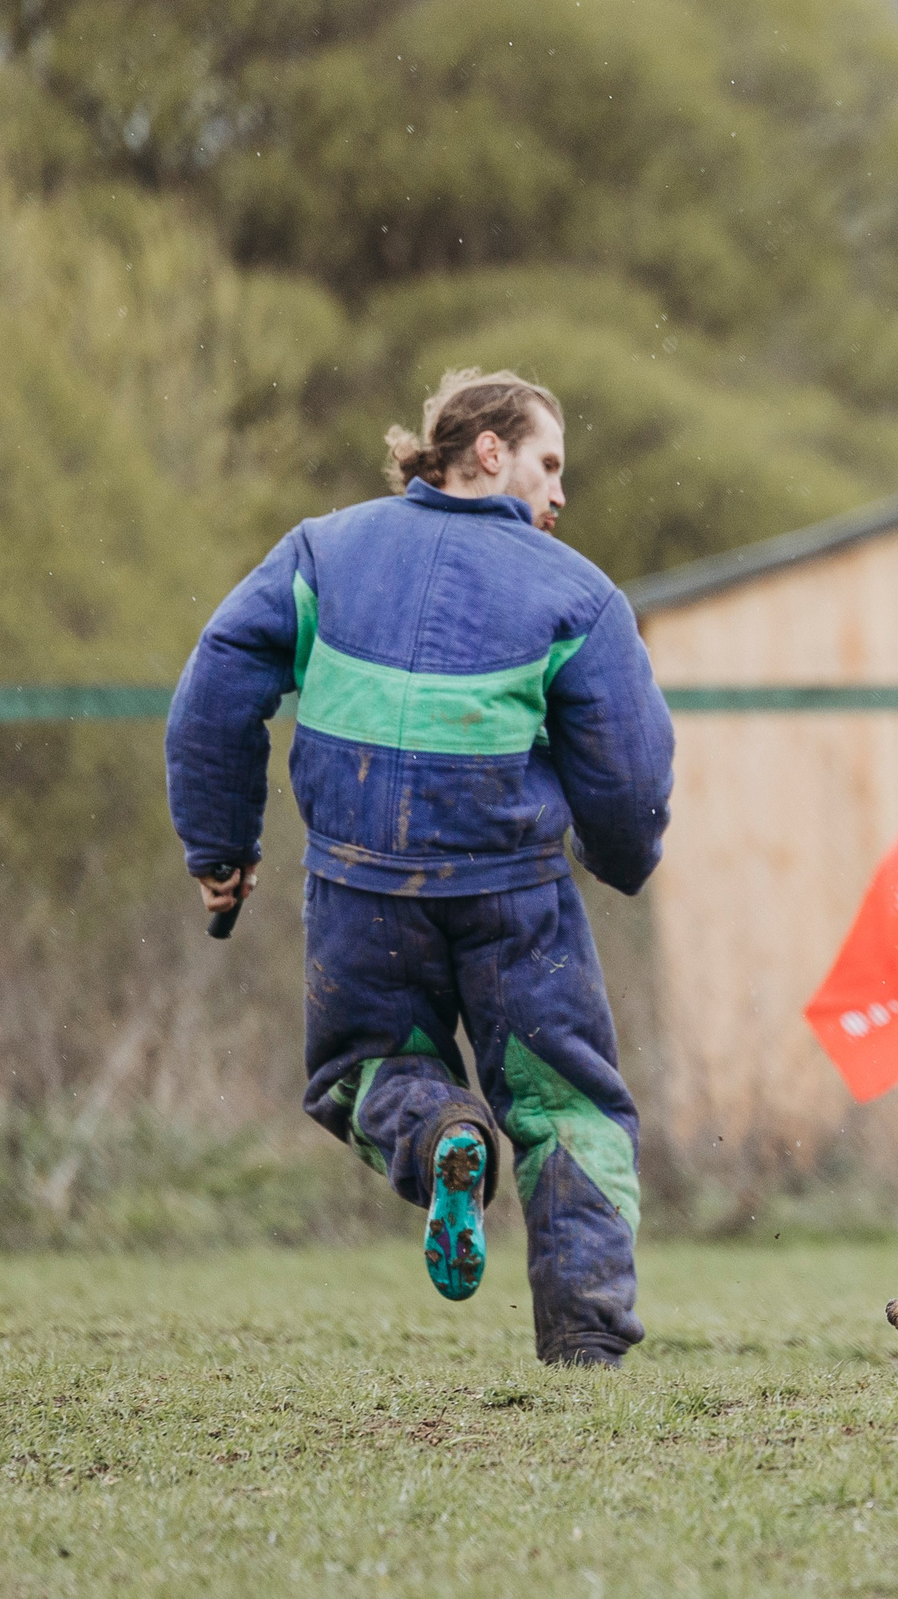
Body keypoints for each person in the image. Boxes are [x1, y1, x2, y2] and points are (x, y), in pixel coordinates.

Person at [164, 368, 674, 1367]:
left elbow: (217, 680)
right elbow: (631, 770)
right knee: (566, 1105)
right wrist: (620, 856)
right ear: (489, 450)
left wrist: (221, 846)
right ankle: (582, 1335)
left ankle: (440, 1127)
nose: (560, 493)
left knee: (359, 1070)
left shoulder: (322, 551)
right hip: (514, 898)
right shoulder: (580, 595)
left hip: (360, 892)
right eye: (548, 462)